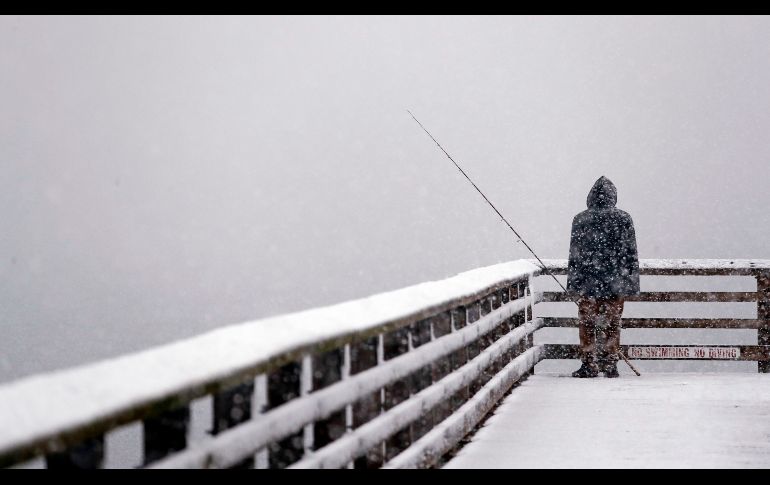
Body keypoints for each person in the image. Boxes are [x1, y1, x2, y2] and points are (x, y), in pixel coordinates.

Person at [567, 176, 640, 378]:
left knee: (587, 325)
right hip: (615, 284)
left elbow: (575, 255)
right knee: (613, 324)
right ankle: (610, 364)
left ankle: (589, 365)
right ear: (613, 197)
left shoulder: (581, 219)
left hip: (588, 284)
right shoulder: (624, 219)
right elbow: (631, 255)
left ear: (590, 197)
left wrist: (572, 285)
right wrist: (631, 285)